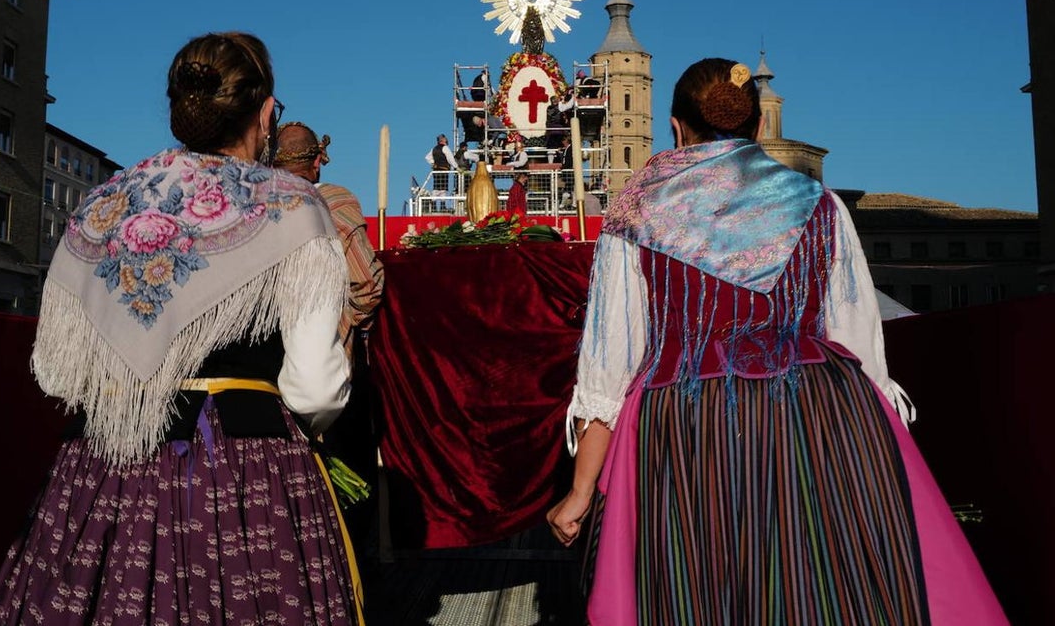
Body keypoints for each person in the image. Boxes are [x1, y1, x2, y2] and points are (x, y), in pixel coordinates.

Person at [546, 57, 1007, 625]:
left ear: (675, 127)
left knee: (696, 587)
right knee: (824, 588)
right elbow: (859, 342)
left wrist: (580, 491)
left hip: (687, 427)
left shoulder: (635, 210)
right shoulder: (821, 204)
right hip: (822, 416)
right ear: (760, 126)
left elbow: (609, 364)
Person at [0, 32, 364, 625]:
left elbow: (57, 374)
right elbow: (315, 387)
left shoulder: (102, 204)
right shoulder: (292, 206)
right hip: (240, 477)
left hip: (106, 468)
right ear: (266, 113)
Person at [274, 122, 385, 362]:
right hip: (322, 356)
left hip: (259, 359)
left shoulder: (254, 204)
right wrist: (348, 323)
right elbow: (367, 284)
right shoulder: (335, 202)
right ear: (317, 161)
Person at [424, 133, 457, 197]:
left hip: (436, 170)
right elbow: (450, 159)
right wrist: (456, 167)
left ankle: (434, 201)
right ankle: (442, 202)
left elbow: (427, 157)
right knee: (443, 188)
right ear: (442, 140)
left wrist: (433, 163)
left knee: (436, 187)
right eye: (445, 138)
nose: (446, 139)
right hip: (444, 170)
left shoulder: (434, 149)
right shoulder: (445, 148)